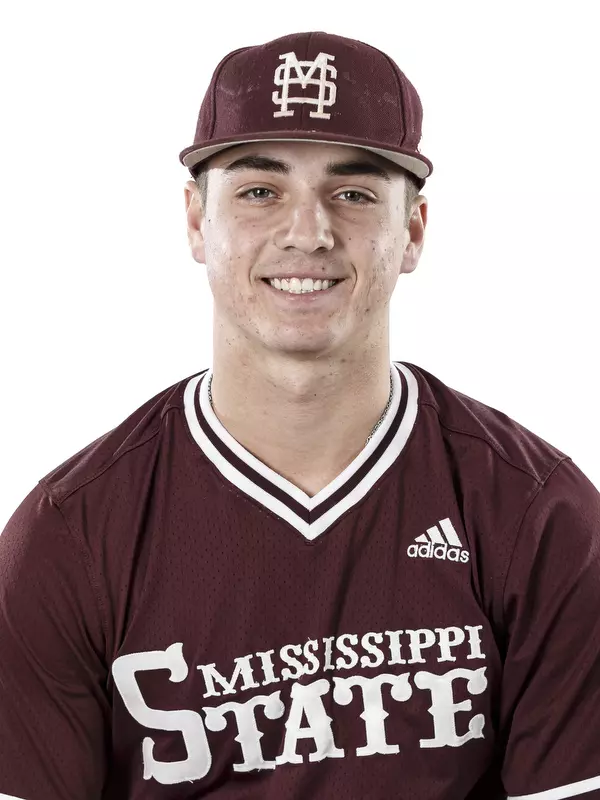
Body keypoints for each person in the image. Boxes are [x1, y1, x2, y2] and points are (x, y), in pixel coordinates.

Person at [1, 29, 599, 800]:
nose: (307, 233)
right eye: (260, 191)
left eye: (352, 194)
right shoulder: (71, 536)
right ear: (195, 222)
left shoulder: (535, 514)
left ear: (412, 230)